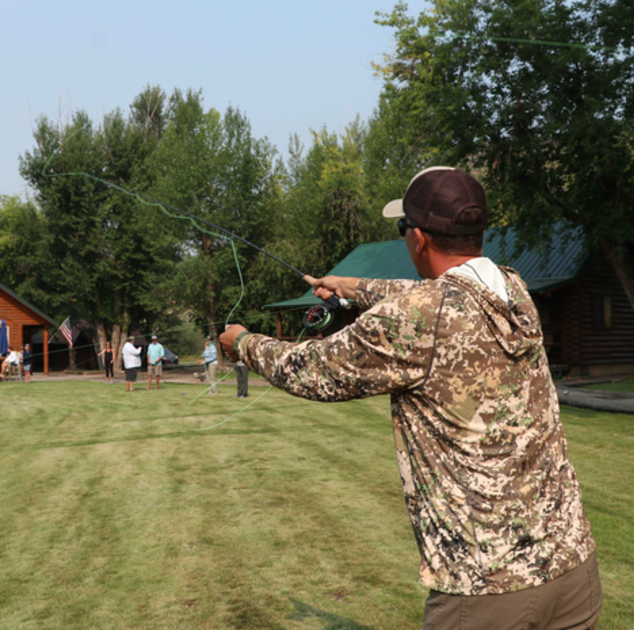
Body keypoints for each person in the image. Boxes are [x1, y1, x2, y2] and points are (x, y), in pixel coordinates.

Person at [221, 167, 602, 629]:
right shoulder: (512, 287)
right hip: (572, 568)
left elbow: (309, 371)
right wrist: (351, 286)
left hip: (487, 588)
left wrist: (243, 342)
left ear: (418, 239)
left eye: (404, 228)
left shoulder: (416, 317)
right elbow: (435, 292)